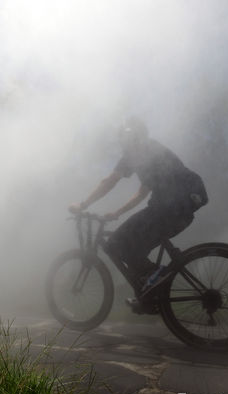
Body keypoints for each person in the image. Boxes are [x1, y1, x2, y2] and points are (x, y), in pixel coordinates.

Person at [69, 116, 208, 311]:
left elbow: (110, 181)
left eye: (123, 138)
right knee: (130, 246)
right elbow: (142, 193)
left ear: (130, 137)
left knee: (117, 243)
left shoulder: (137, 153)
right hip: (181, 207)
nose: (121, 143)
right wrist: (118, 212)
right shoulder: (151, 152)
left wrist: (83, 204)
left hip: (171, 206)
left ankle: (155, 282)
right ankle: (151, 293)